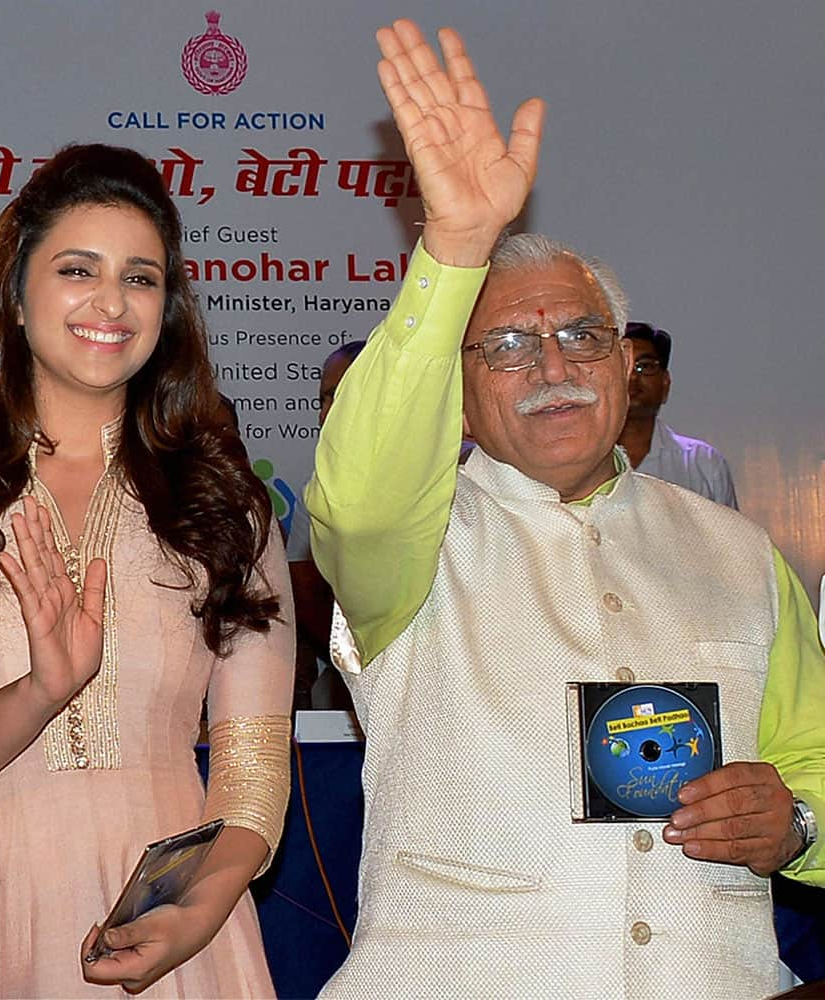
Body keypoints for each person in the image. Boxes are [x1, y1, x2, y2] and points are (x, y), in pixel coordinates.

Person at [306, 20, 825, 999]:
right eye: (503, 345)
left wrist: (795, 824)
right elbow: (358, 496)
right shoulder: (408, 542)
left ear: (628, 366)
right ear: (454, 392)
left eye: (580, 333)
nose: (548, 365)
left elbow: (815, 763)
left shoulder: (735, 550)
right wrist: (454, 245)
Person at [0, 144, 294, 998]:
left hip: (173, 927)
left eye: (141, 278)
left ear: (167, 308)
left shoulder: (224, 505)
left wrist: (200, 912)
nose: (112, 301)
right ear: (18, 297)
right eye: (79, 269)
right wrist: (41, 689)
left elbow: (253, 773)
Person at [288, 341, 365, 711]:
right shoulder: (316, 493)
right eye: (323, 399)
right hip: (346, 683)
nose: (327, 412)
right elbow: (304, 590)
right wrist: (355, 660)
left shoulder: (451, 476)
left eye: (342, 395)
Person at [618, 321, 738, 507]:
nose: (633, 377)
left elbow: (729, 536)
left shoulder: (703, 464)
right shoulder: (579, 460)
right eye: (624, 366)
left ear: (665, 384)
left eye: (645, 366)